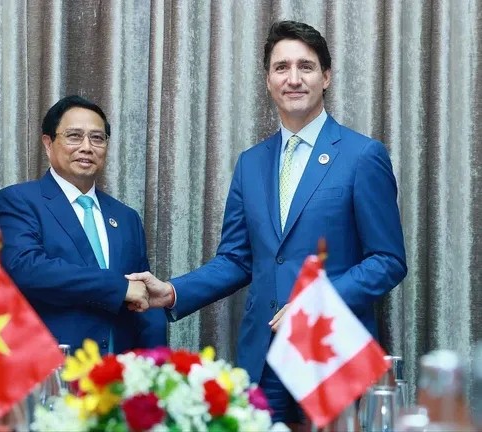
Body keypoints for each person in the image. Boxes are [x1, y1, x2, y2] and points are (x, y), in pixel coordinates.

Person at [127, 20, 407, 426]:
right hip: (264, 359)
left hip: (332, 353)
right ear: (268, 80)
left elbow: (387, 259)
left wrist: (316, 304)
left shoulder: (363, 155)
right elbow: (237, 260)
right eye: (281, 68)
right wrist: (171, 291)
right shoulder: (250, 163)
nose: (293, 79)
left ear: (326, 77)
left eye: (306, 67)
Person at [0, 95, 167, 355]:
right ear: (48, 143)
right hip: (50, 372)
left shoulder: (126, 217)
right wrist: (117, 288)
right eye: (74, 136)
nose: (87, 147)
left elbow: (144, 299)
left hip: (119, 378)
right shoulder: (17, 201)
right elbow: (26, 269)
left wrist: (157, 371)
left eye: (97, 138)